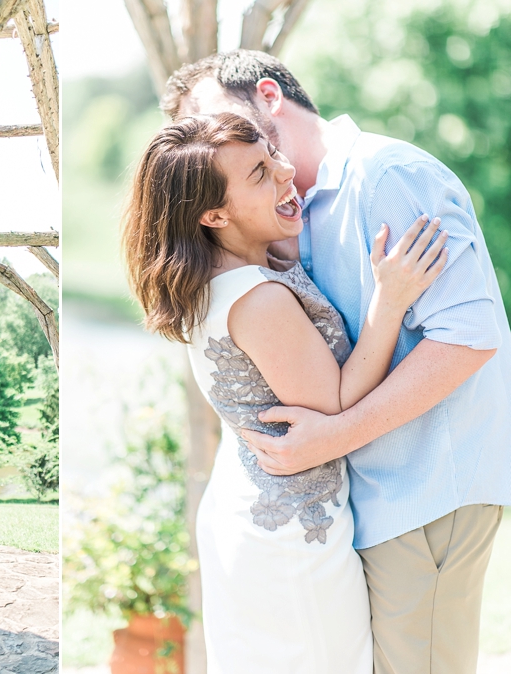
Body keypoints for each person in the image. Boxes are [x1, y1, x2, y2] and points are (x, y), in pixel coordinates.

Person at [160, 50, 511, 673]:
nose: (214, 145)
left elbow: (470, 335)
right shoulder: (280, 219)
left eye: (216, 122)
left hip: (422, 487)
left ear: (268, 96)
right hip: (347, 502)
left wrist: (333, 436)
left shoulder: (389, 176)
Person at [123, 111, 447, 672]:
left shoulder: (218, 283)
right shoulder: (258, 299)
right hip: (292, 539)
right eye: (258, 172)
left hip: (255, 514)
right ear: (214, 214)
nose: (284, 170)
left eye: (271, 152)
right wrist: (389, 301)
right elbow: (336, 404)